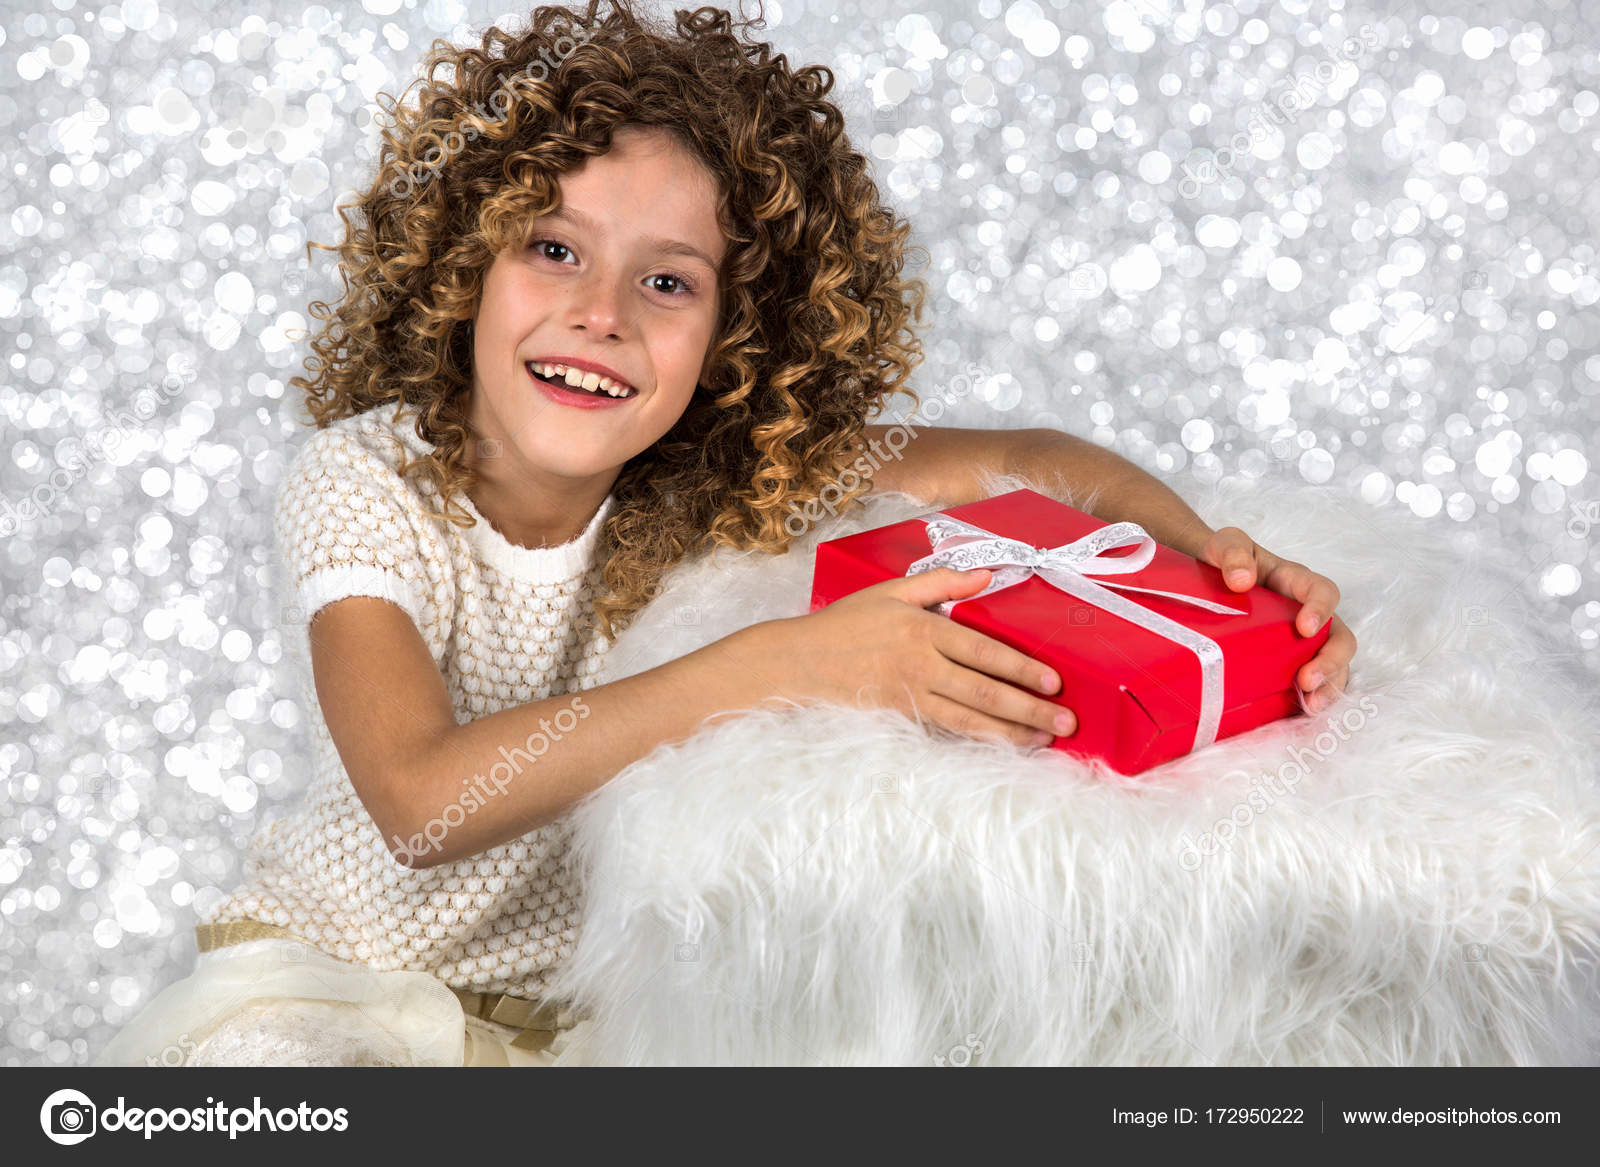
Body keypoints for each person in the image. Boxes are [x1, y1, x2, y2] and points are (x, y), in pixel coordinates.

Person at [95, 0, 1355, 1067]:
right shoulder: (368, 478)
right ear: (459, 266)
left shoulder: (714, 474)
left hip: (569, 1030)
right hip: (330, 986)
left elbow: (1037, 462)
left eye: (666, 281)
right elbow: (423, 800)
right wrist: (784, 664)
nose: (599, 316)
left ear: (735, 342)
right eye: (552, 250)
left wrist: (1215, 562)